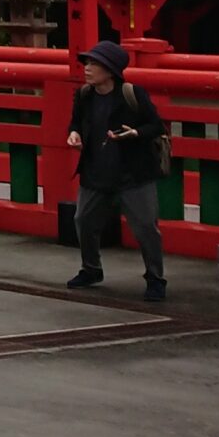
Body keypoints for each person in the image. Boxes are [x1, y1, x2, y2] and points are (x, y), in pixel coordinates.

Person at [64, 41, 168, 302]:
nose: (87, 68)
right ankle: (91, 269)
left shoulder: (132, 94)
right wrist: (74, 134)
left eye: (94, 64)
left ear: (110, 70)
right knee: (83, 220)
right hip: (96, 170)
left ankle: (155, 278)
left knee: (145, 227)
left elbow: (157, 126)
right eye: (86, 63)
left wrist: (135, 133)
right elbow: (76, 121)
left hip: (133, 173)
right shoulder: (85, 95)